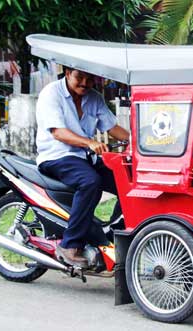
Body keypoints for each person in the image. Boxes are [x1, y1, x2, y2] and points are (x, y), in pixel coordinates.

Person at [35, 67, 129, 268]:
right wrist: (89, 143)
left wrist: (140, 142)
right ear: (68, 73)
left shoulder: (94, 97)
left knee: (128, 179)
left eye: (90, 79)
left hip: (84, 158)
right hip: (56, 156)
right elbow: (58, 132)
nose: (84, 83)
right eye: (80, 77)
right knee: (90, 182)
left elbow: (112, 127)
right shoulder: (51, 93)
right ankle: (69, 245)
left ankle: (111, 234)